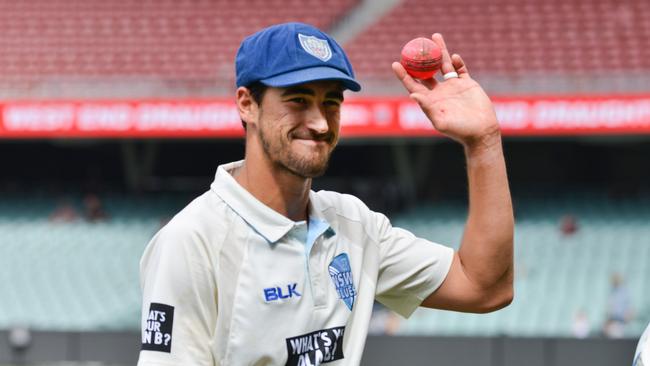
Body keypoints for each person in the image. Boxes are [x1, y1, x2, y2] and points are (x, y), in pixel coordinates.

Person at [137, 22, 514, 365]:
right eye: (298, 100)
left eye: (331, 102)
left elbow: (485, 287)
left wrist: (483, 142)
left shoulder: (354, 224)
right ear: (247, 104)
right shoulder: (192, 241)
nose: (319, 122)